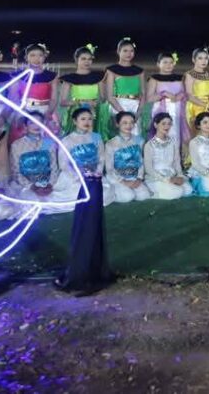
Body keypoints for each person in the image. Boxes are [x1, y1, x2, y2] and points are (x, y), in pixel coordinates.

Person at [55, 107, 115, 294]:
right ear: (74, 121)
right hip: (75, 179)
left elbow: (101, 158)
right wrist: (80, 175)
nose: (87, 122)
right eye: (83, 119)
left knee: (103, 197)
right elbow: (63, 164)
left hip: (94, 178)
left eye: (89, 119)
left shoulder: (96, 138)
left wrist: (96, 172)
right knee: (79, 201)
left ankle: (95, 266)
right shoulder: (67, 140)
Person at [10, 112, 80, 206]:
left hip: (49, 184)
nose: (36, 125)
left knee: (75, 187)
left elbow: (54, 167)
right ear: (25, 126)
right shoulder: (17, 145)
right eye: (32, 123)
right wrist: (32, 187)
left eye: (39, 122)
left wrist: (50, 184)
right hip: (27, 185)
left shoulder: (49, 143)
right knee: (27, 201)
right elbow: (16, 172)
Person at [98, 38, 145, 141]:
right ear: (118, 51)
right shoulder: (112, 70)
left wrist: (139, 111)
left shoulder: (139, 71)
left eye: (131, 51)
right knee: (119, 136)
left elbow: (143, 93)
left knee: (135, 136)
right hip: (118, 106)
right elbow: (110, 96)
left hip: (135, 107)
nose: (129, 54)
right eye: (125, 51)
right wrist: (123, 113)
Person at [11, 43, 59, 140]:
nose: (36, 59)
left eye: (40, 55)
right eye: (32, 55)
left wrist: (48, 113)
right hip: (24, 110)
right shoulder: (18, 76)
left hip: (45, 111)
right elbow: (14, 97)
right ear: (26, 58)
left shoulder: (52, 76)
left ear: (44, 57)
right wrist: (23, 113)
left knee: (48, 139)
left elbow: (54, 99)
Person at [143, 113, 193, 200]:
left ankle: (168, 189)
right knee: (177, 192)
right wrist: (166, 179)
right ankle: (152, 192)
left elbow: (176, 162)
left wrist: (180, 176)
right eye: (163, 123)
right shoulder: (149, 145)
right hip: (156, 177)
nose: (167, 126)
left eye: (169, 124)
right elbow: (148, 169)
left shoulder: (173, 142)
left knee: (188, 190)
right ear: (156, 125)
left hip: (172, 175)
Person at [103, 112, 150, 203]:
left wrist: (139, 178)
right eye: (125, 123)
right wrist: (124, 182)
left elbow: (141, 162)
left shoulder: (139, 141)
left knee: (144, 196)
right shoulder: (111, 144)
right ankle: (112, 192)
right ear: (117, 124)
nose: (129, 126)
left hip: (134, 177)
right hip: (117, 177)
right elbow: (109, 168)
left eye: (131, 122)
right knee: (128, 197)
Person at [143, 52, 188, 147]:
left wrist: (179, 96)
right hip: (161, 110)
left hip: (177, 109)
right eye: (165, 62)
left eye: (171, 62)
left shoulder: (180, 78)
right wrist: (164, 94)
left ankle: (176, 153)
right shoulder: (154, 79)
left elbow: (184, 93)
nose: (168, 65)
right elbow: (149, 98)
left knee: (176, 132)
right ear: (158, 64)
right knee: (163, 133)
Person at [58, 45, 105, 134]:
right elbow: (62, 102)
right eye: (83, 59)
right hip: (76, 111)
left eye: (89, 59)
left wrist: (96, 103)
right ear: (76, 60)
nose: (87, 62)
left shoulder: (99, 78)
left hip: (93, 111)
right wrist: (79, 103)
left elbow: (103, 99)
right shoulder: (69, 79)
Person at [184, 48, 209, 137]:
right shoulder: (190, 75)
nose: (204, 61)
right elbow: (189, 96)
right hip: (196, 107)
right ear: (193, 59)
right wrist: (207, 106)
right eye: (200, 58)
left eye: (206, 58)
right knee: (198, 136)